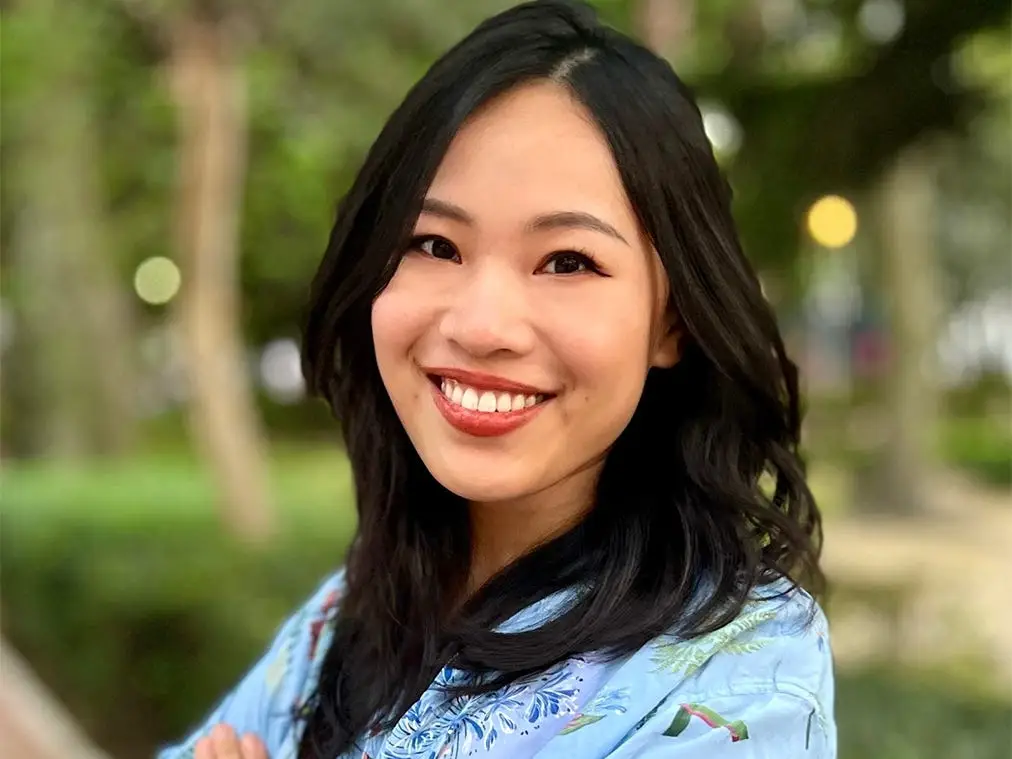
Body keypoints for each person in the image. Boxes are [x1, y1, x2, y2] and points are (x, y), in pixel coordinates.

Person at [159, 2, 834, 758]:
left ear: (671, 322)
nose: (482, 325)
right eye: (434, 243)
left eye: (568, 261)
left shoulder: (742, 673)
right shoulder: (348, 611)